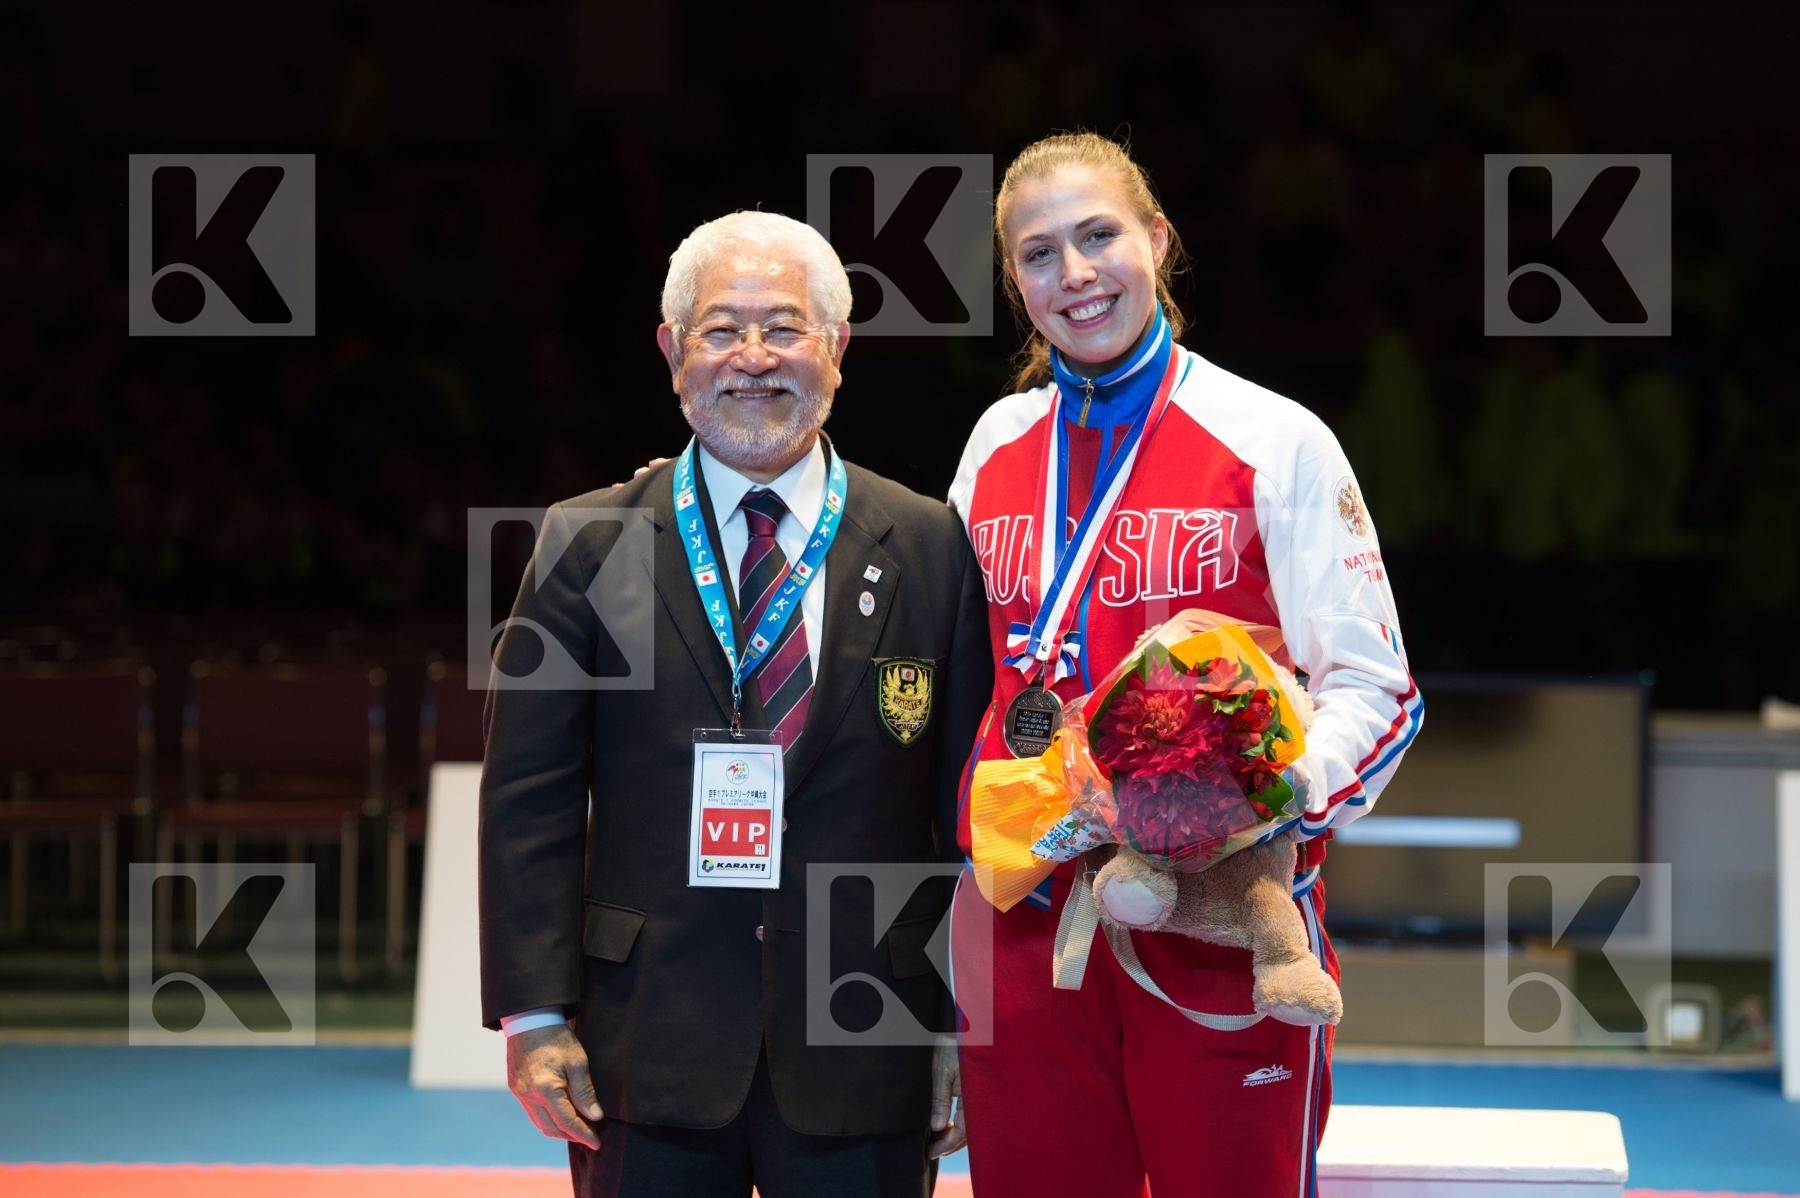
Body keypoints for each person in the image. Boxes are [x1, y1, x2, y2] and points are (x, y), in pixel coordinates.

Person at [479, 211, 992, 1198]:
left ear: (838, 350)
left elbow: (964, 813)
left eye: (784, 328)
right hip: (641, 1040)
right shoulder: (588, 544)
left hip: (868, 1038)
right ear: (674, 353)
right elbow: (528, 798)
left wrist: (962, 1022)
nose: (752, 359)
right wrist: (535, 1015)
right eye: (721, 329)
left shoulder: (930, 544)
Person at [946, 132, 1422, 1197]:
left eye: (1098, 235)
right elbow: (959, 680)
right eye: (1037, 254)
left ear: (1156, 241)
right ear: (1013, 281)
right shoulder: (993, 444)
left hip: (1220, 918)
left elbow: (1376, 688)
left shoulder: (1274, 438)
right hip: (1022, 921)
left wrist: (1259, 798)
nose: (1073, 274)